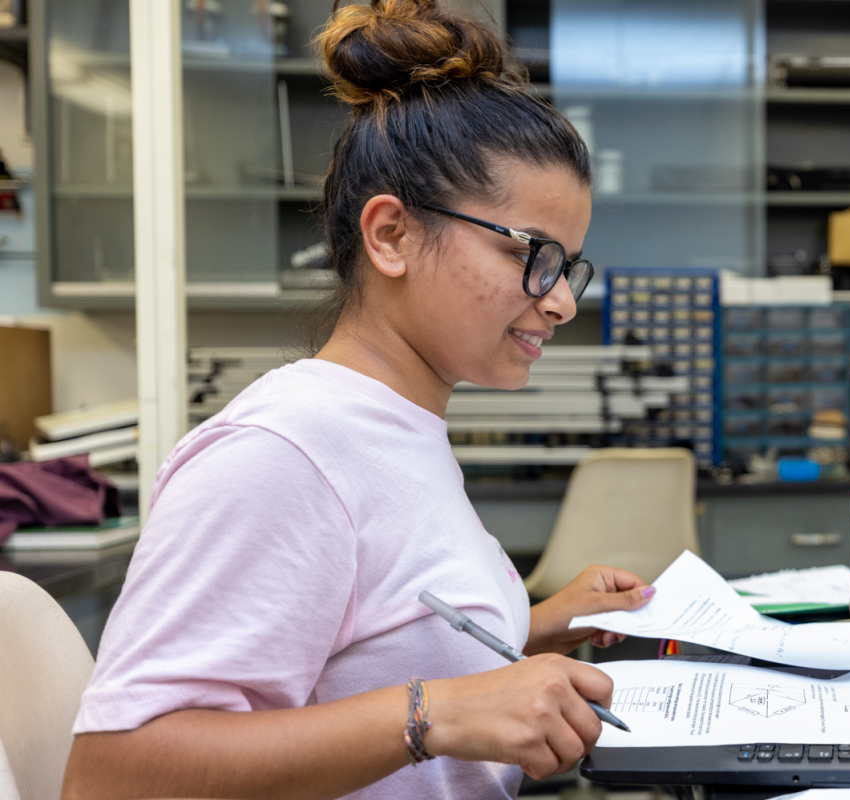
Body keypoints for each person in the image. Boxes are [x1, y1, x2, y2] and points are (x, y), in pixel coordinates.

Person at [60, 1, 656, 798]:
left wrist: (543, 618)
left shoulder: (398, 427)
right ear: (391, 236)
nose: (560, 301)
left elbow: (365, 638)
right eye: (534, 257)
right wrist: (432, 715)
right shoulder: (282, 456)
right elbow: (112, 778)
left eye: (568, 267)